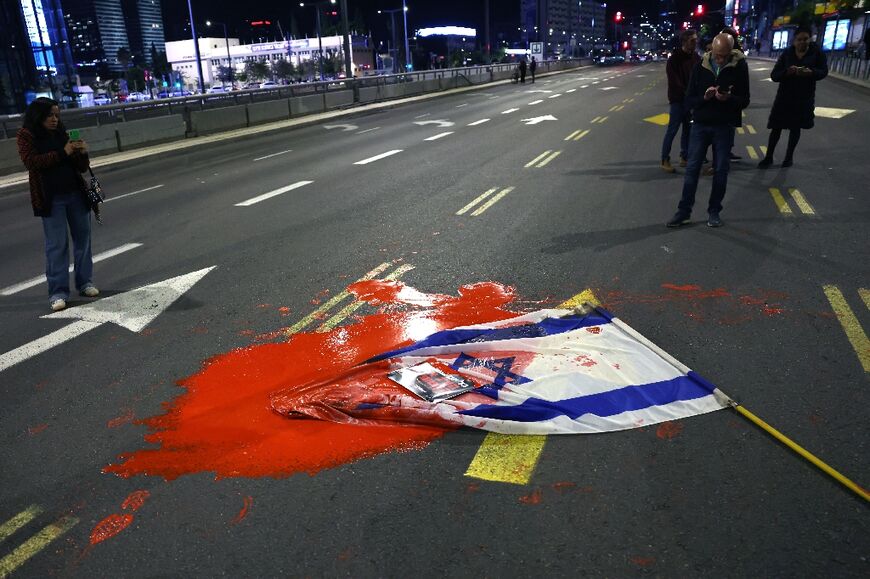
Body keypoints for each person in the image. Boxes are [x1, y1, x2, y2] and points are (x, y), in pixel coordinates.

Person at [17, 97, 98, 311]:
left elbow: (81, 168)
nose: (54, 119)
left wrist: (81, 152)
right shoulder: (27, 135)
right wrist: (64, 152)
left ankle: (85, 282)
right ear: (39, 116)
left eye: (57, 115)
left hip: (75, 194)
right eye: (50, 115)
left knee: (83, 240)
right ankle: (57, 292)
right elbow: (32, 162)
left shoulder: (62, 132)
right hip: (51, 198)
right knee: (56, 245)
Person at [667, 33, 750, 229]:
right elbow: (689, 100)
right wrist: (704, 98)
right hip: (701, 125)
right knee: (692, 169)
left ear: (731, 52)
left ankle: (714, 211)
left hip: (724, 126)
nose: (721, 59)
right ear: (711, 49)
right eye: (718, 55)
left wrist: (728, 98)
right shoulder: (700, 66)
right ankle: (684, 211)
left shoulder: (739, 66)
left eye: (725, 55)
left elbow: (745, 100)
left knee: (721, 170)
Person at [758, 27, 828, 168]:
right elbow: (774, 75)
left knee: (795, 128)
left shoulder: (817, 53)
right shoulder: (787, 53)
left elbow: (823, 71)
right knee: (776, 128)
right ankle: (769, 157)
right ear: (794, 41)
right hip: (785, 97)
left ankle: (788, 158)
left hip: (803, 98)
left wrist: (811, 72)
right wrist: (787, 72)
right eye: (799, 39)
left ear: (810, 39)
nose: (802, 42)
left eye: (805, 39)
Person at [660, 29, 700, 173]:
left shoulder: (696, 57)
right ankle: (665, 159)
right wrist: (687, 94)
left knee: (688, 130)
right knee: (672, 130)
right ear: (684, 42)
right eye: (692, 41)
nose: (695, 43)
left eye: (696, 40)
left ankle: (684, 156)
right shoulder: (674, 59)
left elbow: (698, 78)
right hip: (678, 100)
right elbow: (674, 82)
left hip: (690, 101)